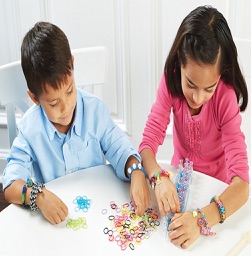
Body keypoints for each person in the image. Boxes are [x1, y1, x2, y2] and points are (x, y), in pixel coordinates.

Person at [2, 21, 150, 224]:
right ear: (35, 98)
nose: (65, 107)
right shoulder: (30, 130)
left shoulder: (95, 110)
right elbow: (10, 186)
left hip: (98, 212)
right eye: (53, 102)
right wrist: (39, 196)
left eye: (70, 90)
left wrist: (136, 173)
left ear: (72, 65)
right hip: (56, 219)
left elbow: (120, 149)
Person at [138, 5, 249, 249]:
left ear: (221, 75)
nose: (198, 98)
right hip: (178, 181)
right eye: (190, 84)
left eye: (209, 88)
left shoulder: (225, 98)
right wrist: (158, 176)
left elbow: (241, 187)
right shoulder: (170, 77)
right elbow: (147, 145)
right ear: (180, 62)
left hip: (216, 195)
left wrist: (200, 219)